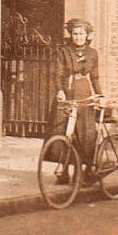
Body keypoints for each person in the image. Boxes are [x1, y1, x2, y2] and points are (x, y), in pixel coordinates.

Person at [48, 18, 102, 184]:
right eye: (75, 33)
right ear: (71, 35)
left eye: (81, 33)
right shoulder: (63, 51)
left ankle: (86, 171)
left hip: (84, 94)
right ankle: (64, 171)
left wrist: (100, 95)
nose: (78, 37)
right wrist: (60, 91)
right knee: (63, 132)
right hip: (68, 93)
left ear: (87, 35)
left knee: (85, 133)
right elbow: (57, 74)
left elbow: (94, 77)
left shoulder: (92, 53)